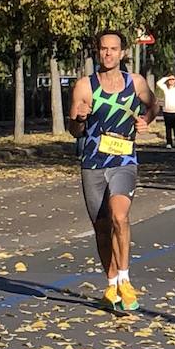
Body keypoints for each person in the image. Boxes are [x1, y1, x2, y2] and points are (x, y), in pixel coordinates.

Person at [67, 29, 156, 312]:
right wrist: (80, 119)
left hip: (124, 161)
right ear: (98, 51)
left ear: (122, 53)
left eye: (114, 49)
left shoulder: (135, 82)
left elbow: (153, 105)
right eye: (104, 49)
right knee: (102, 228)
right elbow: (74, 130)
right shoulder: (85, 86)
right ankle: (111, 283)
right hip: (92, 163)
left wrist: (146, 120)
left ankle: (125, 279)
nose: (108, 54)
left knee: (120, 216)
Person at [158, 72, 175, 148]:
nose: (171, 81)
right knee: (168, 128)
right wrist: (166, 78)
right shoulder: (165, 88)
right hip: (167, 110)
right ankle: (169, 142)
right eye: (170, 79)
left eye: (173, 79)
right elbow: (158, 83)